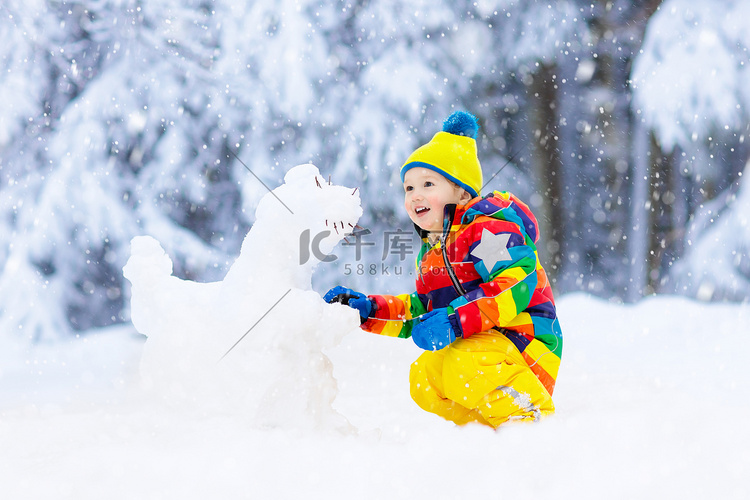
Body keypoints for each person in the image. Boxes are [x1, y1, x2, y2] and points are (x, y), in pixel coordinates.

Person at [324, 111, 562, 428]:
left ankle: (530, 417)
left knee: (464, 361)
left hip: (524, 346)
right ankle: (486, 428)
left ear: (462, 193)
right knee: (423, 378)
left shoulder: (488, 231)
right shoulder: (433, 253)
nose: (415, 195)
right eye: (408, 188)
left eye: (428, 184)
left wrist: (455, 320)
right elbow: (422, 308)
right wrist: (369, 311)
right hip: (483, 348)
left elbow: (513, 287)